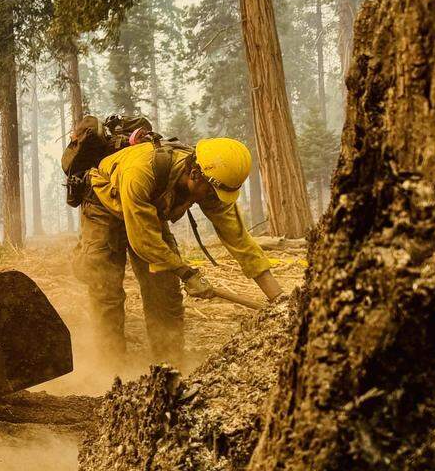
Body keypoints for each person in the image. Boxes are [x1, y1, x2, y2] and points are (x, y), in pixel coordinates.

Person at [72, 137, 283, 370]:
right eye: (212, 192)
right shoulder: (142, 172)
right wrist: (187, 273)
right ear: (194, 173)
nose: (214, 199)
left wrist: (280, 302)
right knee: (106, 287)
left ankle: (169, 366)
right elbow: (144, 241)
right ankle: (110, 368)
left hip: (147, 210)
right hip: (105, 206)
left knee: (164, 290)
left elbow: (240, 241)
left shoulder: (214, 183)